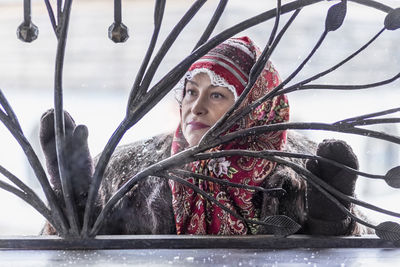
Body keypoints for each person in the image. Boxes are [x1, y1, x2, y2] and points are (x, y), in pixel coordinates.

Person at [40, 37, 369, 236]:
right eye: (191, 92)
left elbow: (369, 245)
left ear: (254, 105)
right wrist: (77, 198)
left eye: (216, 95)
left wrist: (334, 223)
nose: (195, 107)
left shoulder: (303, 164)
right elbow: (64, 246)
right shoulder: (133, 168)